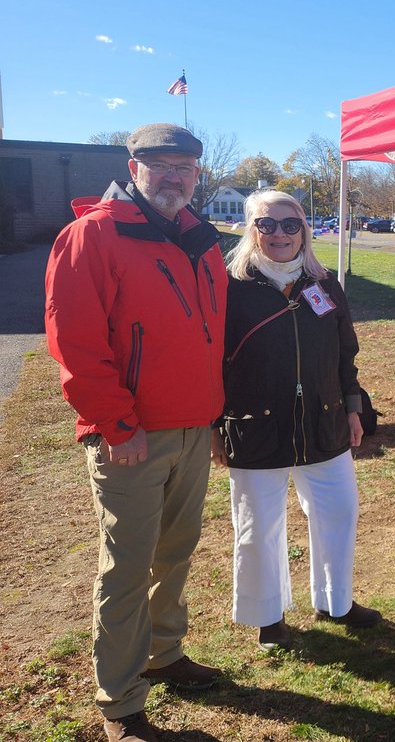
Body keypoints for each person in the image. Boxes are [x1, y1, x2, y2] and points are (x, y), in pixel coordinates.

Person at [45, 124, 227, 742]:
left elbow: (210, 336)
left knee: (175, 551)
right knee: (126, 566)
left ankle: (165, 652)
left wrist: (214, 416)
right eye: (161, 165)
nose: (175, 177)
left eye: (186, 168)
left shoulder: (198, 240)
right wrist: (117, 426)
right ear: (134, 167)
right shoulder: (91, 236)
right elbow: (75, 345)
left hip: (194, 427)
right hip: (132, 438)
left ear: (197, 176)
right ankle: (120, 700)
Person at [212, 189, 380, 654]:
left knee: (339, 510)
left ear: (304, 229)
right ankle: (268, 617)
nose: (280, 234)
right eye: (268, 224)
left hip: (323, 422)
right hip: (255, 424)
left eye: (291, 224)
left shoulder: (324, 285)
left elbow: (346, 353)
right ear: (252, 230)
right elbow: (210, 361)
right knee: (257, 525)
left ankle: (335, 601)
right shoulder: (230, 287)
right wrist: (213, 424)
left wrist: (351, 406)